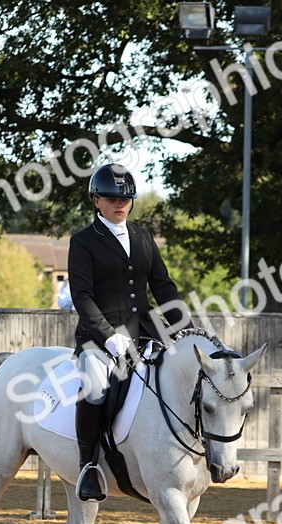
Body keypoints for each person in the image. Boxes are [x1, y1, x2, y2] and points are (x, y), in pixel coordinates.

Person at [67, 164, 183, 501]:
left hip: (145, 332)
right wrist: (107, 335)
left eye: (126, 199)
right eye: (112, 198)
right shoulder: (84, 242)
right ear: (96, 200)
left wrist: (184, 329)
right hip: (98, 338)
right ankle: (88, 467)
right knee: (95, 389)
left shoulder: (144, 237)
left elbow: (163, 286)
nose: (120, 204)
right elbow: (82, 297)